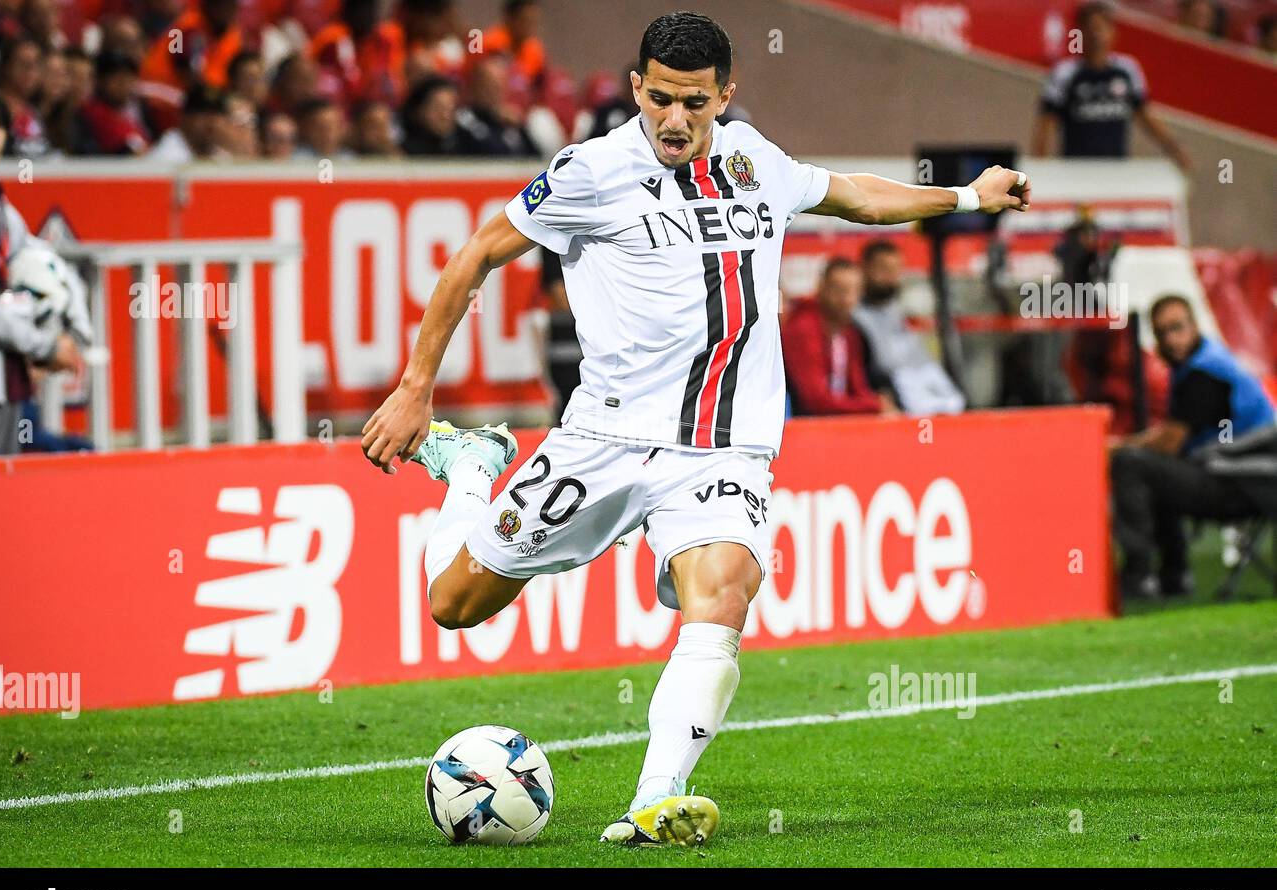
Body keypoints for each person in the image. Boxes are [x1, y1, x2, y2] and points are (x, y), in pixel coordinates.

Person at [360, 11, 1029, 846]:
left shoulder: (754, 161)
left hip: (724, 448)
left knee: (725, 590)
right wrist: (417, 388)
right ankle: (469, 469)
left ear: (726, 94)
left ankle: (653, 802)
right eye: (662, 100)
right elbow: (475, 257)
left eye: (697, 104)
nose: (677, 120)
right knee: (452, 605)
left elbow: (855, 195)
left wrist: (968, 196)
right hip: (603, 441)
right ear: (636, 88)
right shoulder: (589, 172)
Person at [1110, 295, 1275, 598]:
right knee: (1157, 470)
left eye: (1177, 328)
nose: (1171, 340)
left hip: (1242, 482)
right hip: (1244, 476)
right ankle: (1173, 576)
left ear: (1194, 325)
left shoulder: (1203, 373)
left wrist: (1116, 447)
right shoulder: (1207, 361)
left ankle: (1139, 575)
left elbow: (1170, 443)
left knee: (1132, 464)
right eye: (1162, 333)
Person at [0, 84, 78, 456]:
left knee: (3, 494)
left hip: (6, 379)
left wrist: (42, 342)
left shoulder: (4, 212)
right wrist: (44, 346)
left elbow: (40, 280)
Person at [1032, 1, 1189, 171]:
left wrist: (1174, 147)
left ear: (1113, 32)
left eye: (1101, 28)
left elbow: (1144, 115)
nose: (1096, 35)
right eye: (1090, 28)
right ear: (1080, 32)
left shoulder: (1127, 70)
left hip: (1115, 171)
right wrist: (1041, 169)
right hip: (1075, 171)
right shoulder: (1065, 73)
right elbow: (1046, 124)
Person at [852, 239, 965, 414]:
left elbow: (926, 363)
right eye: (883, 268)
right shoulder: (853, 316)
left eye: (896, 269)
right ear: (864, 268)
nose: (890, 276)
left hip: (926, 387)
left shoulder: (904, 310)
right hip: (887, 395)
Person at [782, 257, 893, 415]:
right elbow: (815, 401)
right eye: (839, 290)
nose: (847, 299)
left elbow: (858, 387)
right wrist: (873, 406)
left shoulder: (850, 332)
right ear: (821, 287)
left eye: (854, 291)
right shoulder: (803, 329)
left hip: (838, 422)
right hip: (804, 426)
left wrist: (878, 404)